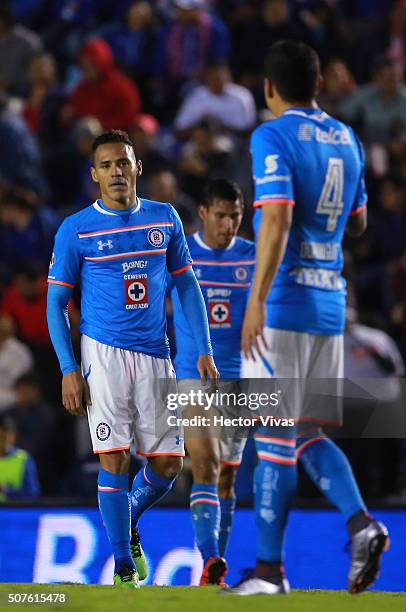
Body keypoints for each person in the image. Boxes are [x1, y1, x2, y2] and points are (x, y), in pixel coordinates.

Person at [229, 41, 389, 596]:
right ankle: (361, 523)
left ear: (268, 89)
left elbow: (274, 218)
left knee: (272, 435)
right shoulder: (347, 138)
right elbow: (361, 221)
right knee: (305, 432)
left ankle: (270, 573)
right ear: (319, 84)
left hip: (287, 303)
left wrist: (255, 300)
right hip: (329, 305)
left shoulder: (270, 134)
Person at [46, 129, 218, 588]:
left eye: (123, 162)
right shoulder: (76, 229)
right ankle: (123, 566)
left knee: (167, 466)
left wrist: (201, 348)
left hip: (156, 356)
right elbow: (55, 304)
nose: (116, 171)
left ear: (137, 167)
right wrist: (68, 368)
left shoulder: (165, 218)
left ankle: (128, 517)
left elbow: (186, 285)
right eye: (106, 165)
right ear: (94, 176)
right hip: (101, 355)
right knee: (115, 459)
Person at [171, 179, 255, 585]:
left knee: (227, 475)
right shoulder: (178, 254)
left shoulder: (255, 259)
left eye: (235, 216)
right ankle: (210, 559)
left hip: (243, 382)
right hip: (193, 375)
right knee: (204, 463)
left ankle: (213, 573)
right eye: (221, 216)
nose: (228, 225)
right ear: (203, 213)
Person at [0, 413, 40, 500]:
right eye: (1, 437)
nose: (2, 441)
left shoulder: (24, 459)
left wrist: (6, 490)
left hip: (15, 511)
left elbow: (32, 493)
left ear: (13, 436)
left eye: (5, 436)